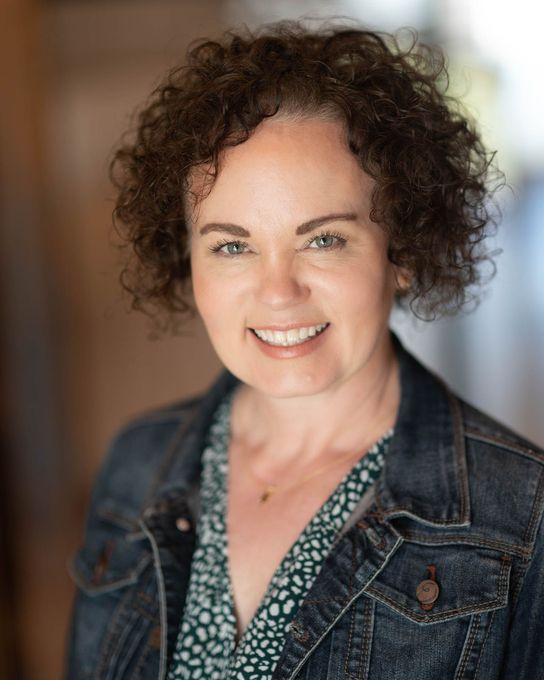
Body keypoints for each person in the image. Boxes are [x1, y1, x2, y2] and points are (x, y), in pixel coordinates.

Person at [64, 20, 544, 680]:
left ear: (400, 251)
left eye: (324, 239)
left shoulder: (522, 515)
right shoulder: (136, 463)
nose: (279, 292)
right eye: (232, 245)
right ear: (189, 261)